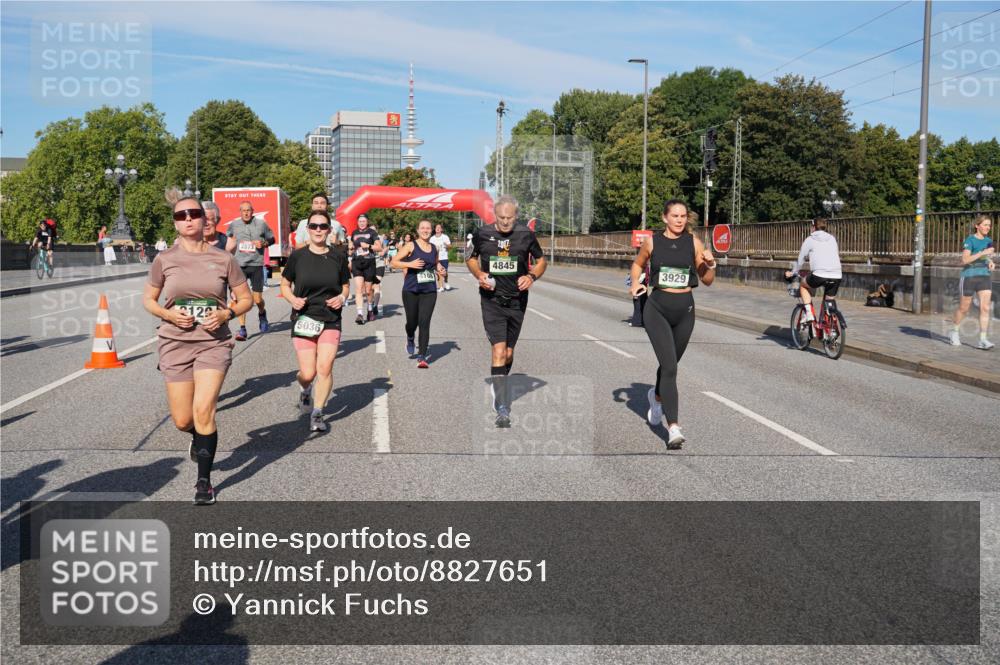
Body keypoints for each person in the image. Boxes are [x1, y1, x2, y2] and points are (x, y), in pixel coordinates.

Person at [143, 189, 253, 505]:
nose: (188, 219)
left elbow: (245, 298)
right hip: (175, 343)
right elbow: (148, 300)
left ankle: (204, 483)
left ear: (205, 219)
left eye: (193, 214)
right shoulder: (164, 259)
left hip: (212, 344)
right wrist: (168, 314)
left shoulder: (223, 258)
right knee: (182, 419)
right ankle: (197, 437)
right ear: (175, 223)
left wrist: (226, 313)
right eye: (181, 215)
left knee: (204, 409)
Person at [631, 199, 716, 449]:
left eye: (683, 216)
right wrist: (635, 283)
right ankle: (674, 428)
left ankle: (655, 396)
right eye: (675, 216)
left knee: (670, 364)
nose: (679, 220)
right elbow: (637, 264)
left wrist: (711, 264)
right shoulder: (653, 241)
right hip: (656, 308)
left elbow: (707, 280)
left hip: (685, 310)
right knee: (670, 368)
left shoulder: (694, 243)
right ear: (665, 218)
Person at [466, 195, 546, 428]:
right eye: (501, 218)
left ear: (516, 216)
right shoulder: (483, 234)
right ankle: (502, 404)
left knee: (509, 354)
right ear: (495, 215)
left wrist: (531, 276)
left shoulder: (525, 235)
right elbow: (470, 258)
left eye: (509, 218)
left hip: (517, 301)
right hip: (491, 300)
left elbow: (541, 261)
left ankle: (500, 377)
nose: (505, 222)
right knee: (498, 350)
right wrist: (479, 274)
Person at [281, 210, 351, 432]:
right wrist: (293, 299)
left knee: (325, 367)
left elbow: (346, 286)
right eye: (314, 226)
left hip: (330, 318)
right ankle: (304, 389)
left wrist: (341, 297)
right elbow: (284, 284)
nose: (318, 230)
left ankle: (318, 413)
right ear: (308, 229)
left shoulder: (338, 256)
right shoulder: (297, 257)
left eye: (323, 226)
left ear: (330, 230)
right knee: (308, 373)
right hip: (304, 317)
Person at [392, 219, 446, 367]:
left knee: (424, 322)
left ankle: (422, 356)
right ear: (418, 230)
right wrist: (410, 264)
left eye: (428, 228)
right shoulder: (411, 245)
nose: (425, 230)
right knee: (412, 322)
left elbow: (435, 264)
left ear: (432, 230)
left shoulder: (434, 248)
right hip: (411, 289)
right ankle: (410, 336)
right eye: (422, 228)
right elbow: (393, 262)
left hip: (429, 290)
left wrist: (440, 268)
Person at [225, 200, 275, 341]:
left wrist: (263, 243)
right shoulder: (234, 225)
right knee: (241, 299)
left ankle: (262, 313)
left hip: (256, 264)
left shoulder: (261, 224)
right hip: (239, 265)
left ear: (252, 211)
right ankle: (242, 329)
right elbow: (226, 239)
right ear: (240, 212)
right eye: (243, 210)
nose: (246, 213)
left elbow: (272, 239)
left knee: (257, 299)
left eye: (248, 210)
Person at [784, 217, 843, 324]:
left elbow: (800, 260)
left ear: (813, 227)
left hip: (819, 275)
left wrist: (793, 272)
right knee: (829, 302)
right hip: (837, 275)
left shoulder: (810, 240)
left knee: (803, 285)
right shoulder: (832, 238)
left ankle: (809, 314)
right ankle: (831, 328)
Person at [950, 214, 995, 350]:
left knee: (985, 308)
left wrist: (990, 261)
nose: (988, 227)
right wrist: (983, 253)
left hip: (984, 276)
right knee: (964, 308)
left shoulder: (988, 240)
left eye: (989, 225)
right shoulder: (970, 240)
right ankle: (954, 332)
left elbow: (985, 257)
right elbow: (965, 260)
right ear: (977, 226)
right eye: (985, 224)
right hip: (969, 276)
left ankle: (982, 339)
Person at [348, 214, 382, 324]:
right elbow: (352, 249)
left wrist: (368, 246)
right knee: (358, 289)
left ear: (367, 222)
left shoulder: (372, 233)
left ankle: (370, 309)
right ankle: (360, 314)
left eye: (364, 221)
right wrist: (351, 250)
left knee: (368, 291)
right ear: (357, 222)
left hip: (369, 263)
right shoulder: (354, 233)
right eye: (360, 221)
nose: (362, 223)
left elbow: (379, 247)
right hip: (357, 263)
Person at [372, 226, 389, 316]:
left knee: (377, 285)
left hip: (379, 263)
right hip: (369, 264)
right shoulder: (366, 238)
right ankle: (371, 303)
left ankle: (375, 306)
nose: (373, 231)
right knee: (369, 288)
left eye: (374, 230)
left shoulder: (380, 238)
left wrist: (384, 251)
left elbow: (386, 247)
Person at [429, 224, 452, 292]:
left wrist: (447, 245)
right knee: (438, 273)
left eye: (439, 228)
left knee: (445, 272)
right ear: (435, 229)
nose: (438, 229)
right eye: (436, 227)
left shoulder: (445, 237)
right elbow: (429, 248)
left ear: (441, 229)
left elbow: (450, 247)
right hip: (436, 258)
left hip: (444, 257)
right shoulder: (432, 238)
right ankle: (441, 287)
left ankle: (446, 281)